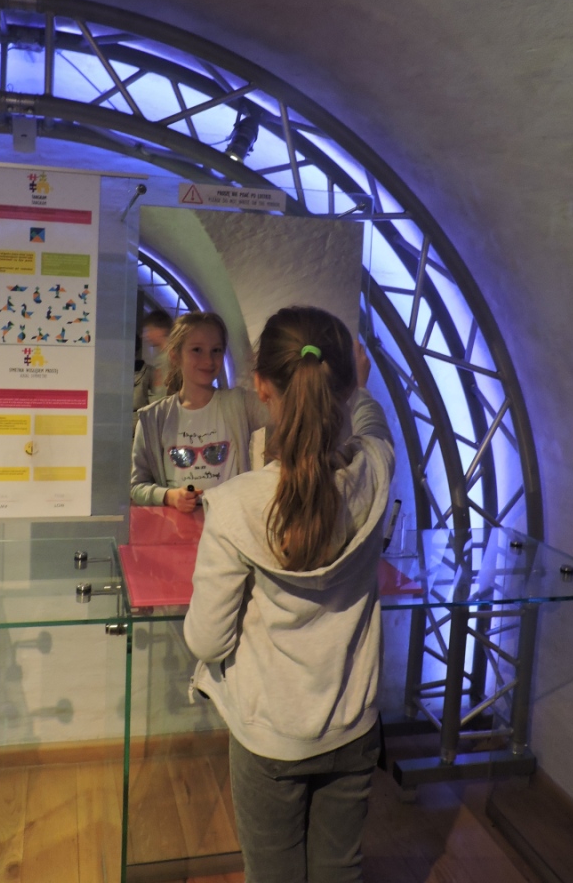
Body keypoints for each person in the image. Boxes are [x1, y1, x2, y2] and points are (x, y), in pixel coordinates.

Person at [183, 306, 395, 883]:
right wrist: (359, 388)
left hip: (270, 733)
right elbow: (374, 427)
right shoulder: (376, 470)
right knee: (339, 870)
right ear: (344, 386)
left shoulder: (236, 505)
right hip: (353, 724)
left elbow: (207, 639)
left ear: (260, 387)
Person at [131, 311, 269, 512]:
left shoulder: (239, 403)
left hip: (229, 525)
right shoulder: (153, 418)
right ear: (175, 356)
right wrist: (169, 496)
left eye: (216, 350)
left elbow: (285, 410)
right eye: (197, 350)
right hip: (178, 528)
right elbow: (136, 486)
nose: (208, 360)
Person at [141, 308, 174, 404]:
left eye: (148, 330)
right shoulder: (164, 356)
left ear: (160, 330)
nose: (145, 335)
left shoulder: (170, 357)